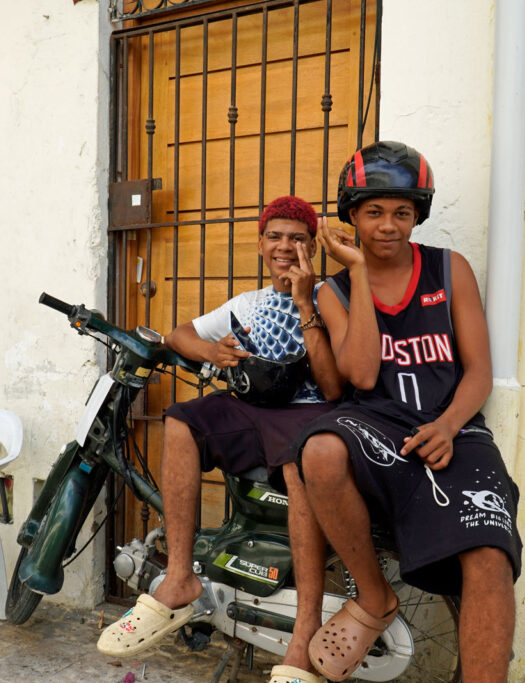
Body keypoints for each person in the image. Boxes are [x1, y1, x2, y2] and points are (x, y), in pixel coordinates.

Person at [294, 142, 522, 682]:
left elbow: (479, 372)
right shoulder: (335, 291)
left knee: (489, 552)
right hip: (378, 423)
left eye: (402, 212)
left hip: (454, 428)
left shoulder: (450, 269)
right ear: (352, 215)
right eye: (374, 211)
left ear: (418, 214)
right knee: (320, 450)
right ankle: (374, 598)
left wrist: (447, 425)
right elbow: (363, 375)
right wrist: (358, 274)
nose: (388, 225)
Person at [97, 196, 342, 683]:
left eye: (297, 238)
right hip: (251, 411)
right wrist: (211, 349)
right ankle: (181, 577)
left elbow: (335, 387)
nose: (285, 247)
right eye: (275, 236)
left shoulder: (333, 298)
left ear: (313, 247)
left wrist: (305, 300)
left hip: (310, 416)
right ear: (260, 244)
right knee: (182, 419)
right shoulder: (246, 305)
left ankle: (305, 631)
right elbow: (177, 333)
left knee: (301, 465)